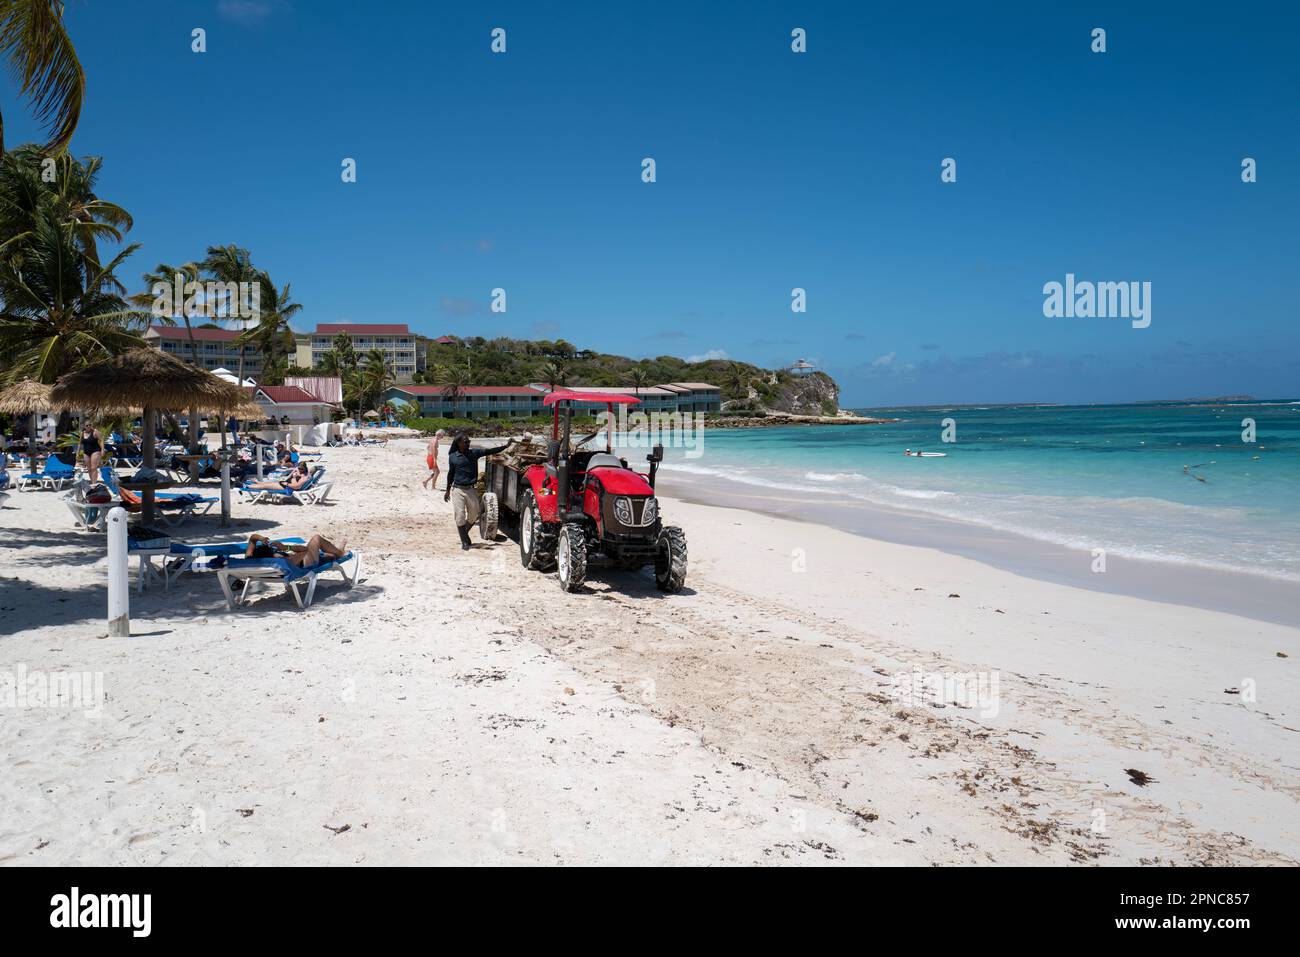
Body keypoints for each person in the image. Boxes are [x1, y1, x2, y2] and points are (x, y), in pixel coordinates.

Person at [444, 432, 512, 549]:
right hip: (457, 490)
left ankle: (464, 534)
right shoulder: (453, 457)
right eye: (466, 442)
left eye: (469, 441)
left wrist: (505, 446)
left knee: (474, 514)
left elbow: (490, 451)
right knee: (459, 516)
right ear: (459, 443)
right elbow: (451, 474)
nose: (468, 443)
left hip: (470, 489)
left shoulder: (474, 453)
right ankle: (465, 541)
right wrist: (447, 489)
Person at [245, 533, 348, 568]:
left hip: (299, 560)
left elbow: (252, 538)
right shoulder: (278, 559)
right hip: (305, 565)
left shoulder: (249, 559)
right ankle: (340, 552)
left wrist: (262, 538)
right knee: (316, 539)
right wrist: (285, 547)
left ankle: (333, 553)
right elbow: (304, 550)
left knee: (327, 555)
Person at [244, 463, 312, 492]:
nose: (299, 470)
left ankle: (247, 486)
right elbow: (308, 472)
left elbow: (296, 486)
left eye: (301, 469)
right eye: (299, 468)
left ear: (305, 469)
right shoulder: (305, 475)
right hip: (285, 484)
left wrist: (292, 479)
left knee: (265, 486)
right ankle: (256, 482)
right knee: (266, 483)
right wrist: (296, 473)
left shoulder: (304, 478)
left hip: (286, 487)